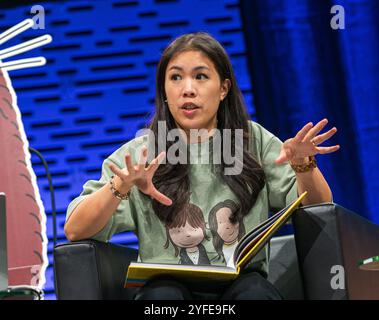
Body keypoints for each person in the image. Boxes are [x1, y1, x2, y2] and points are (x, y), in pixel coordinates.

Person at [64, 32, 340, 300]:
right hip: (165, 285)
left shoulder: (252, 140)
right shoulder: (141, 152)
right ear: (164, 90)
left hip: (243, 282)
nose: (188, 89)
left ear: (223, 89)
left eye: (200, 76)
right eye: (175, 78)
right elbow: (76, 230)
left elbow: (319, 206)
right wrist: (120, 185)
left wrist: (303, 165)